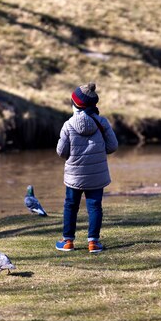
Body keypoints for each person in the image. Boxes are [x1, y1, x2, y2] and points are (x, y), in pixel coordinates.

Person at [56, 82, 118, 253]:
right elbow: (112, 147)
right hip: (96, 176)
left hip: (74, 175)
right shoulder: (101, 122)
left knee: (70, 206)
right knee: (95, 206)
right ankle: (93, 243)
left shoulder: (68, 125)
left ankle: (67, 241)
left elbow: (61, 152)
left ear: (75, 104)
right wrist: (97, 151)